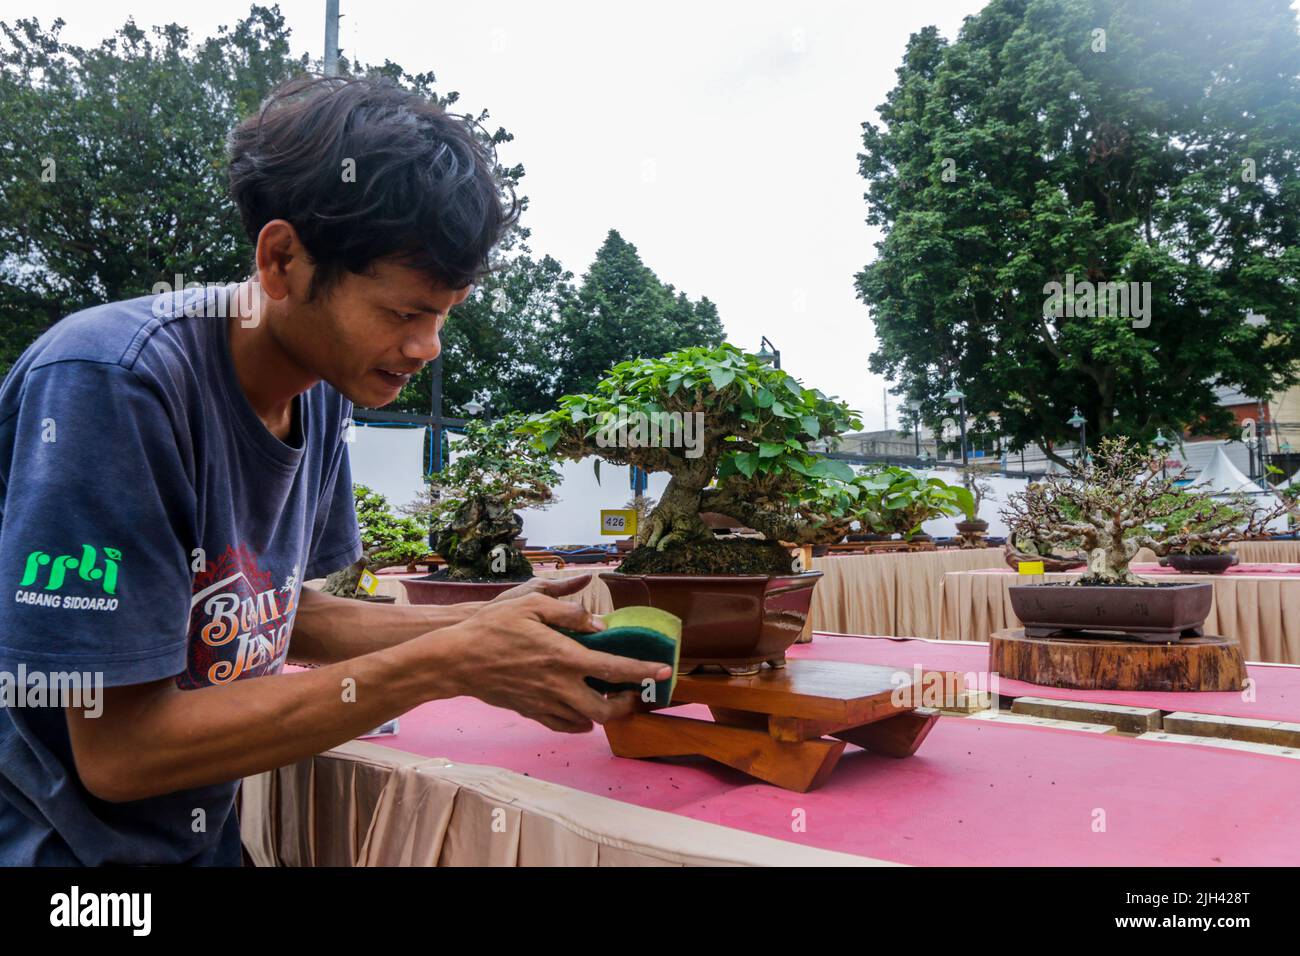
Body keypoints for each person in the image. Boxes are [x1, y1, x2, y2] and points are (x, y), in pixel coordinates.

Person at [0, 75, 667, 866]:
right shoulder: (113, 384)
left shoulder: (318, 395)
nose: (429, 348)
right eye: (403, 313)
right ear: (282, 260)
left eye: (443, 315)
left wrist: (482, 624)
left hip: (199, 841)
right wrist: (449, 661)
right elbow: (121, 754)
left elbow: (284, 612)